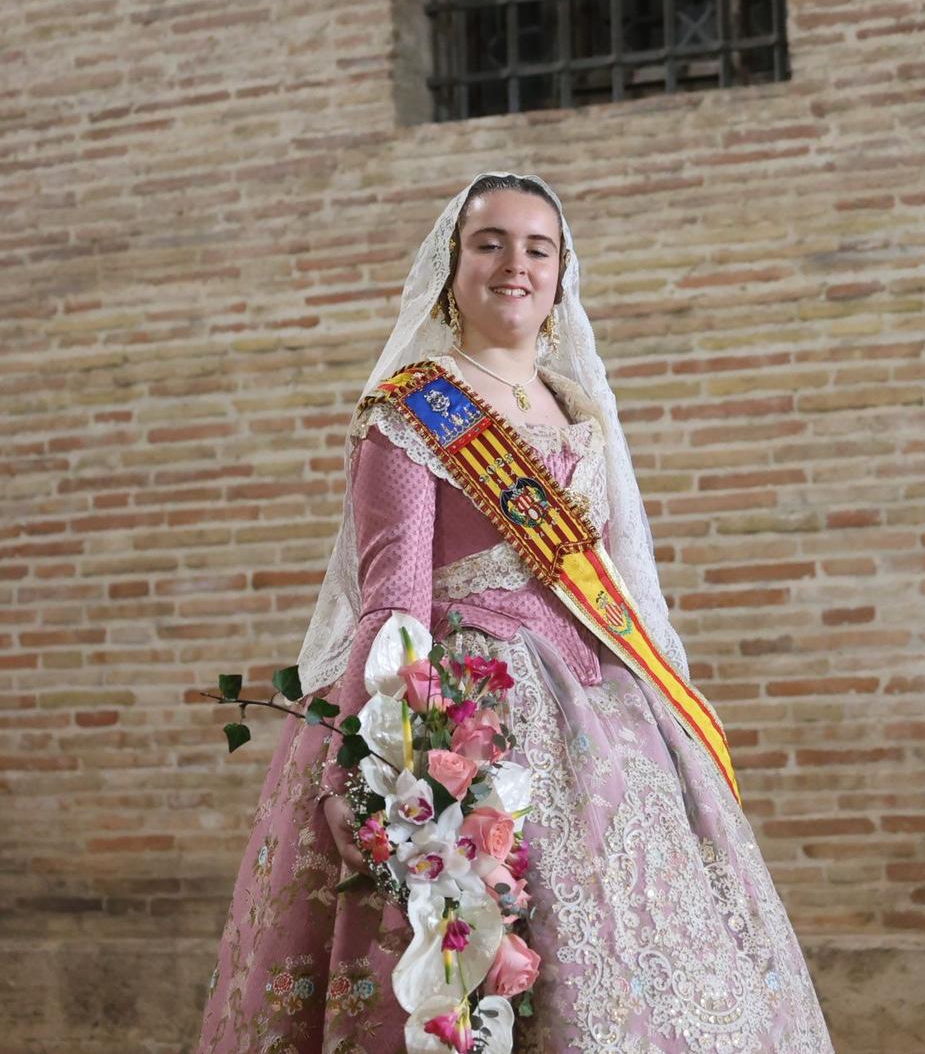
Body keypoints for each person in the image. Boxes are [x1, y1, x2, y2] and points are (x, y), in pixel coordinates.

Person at [197, 173, 831, 1053]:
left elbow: (612, 580)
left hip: (607, 716)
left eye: (539, 247)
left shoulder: (581, 414)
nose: (515, 265)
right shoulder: (413, 411)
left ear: (563, 273)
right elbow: (393, 601)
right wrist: (369, 768)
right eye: (489, 242)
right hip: (469, 713)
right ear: (451, 266)